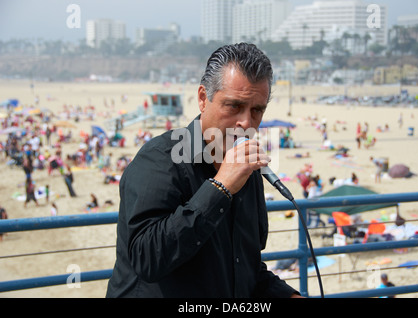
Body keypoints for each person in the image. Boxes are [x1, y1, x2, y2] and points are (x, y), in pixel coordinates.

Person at [106, 43, 301, 298]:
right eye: (233, 106)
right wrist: (220, 187)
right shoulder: (159, 160)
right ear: (202, 98)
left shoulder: (248, 170)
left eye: (256, 110)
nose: (245, 122)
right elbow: (147, 259)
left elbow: (244, 266)